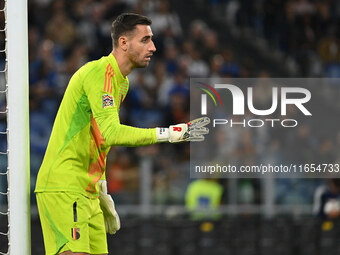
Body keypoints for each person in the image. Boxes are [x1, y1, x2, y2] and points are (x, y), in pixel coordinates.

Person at [34, 13, 210, 255]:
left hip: (89, 190)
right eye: (145, 40)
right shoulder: (98, 73)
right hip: (64, 186)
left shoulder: (122, 83)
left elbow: (97, 137)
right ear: (124, 43)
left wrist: (101, 186)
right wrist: (169, 133)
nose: (153, 47)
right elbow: (111, 133)